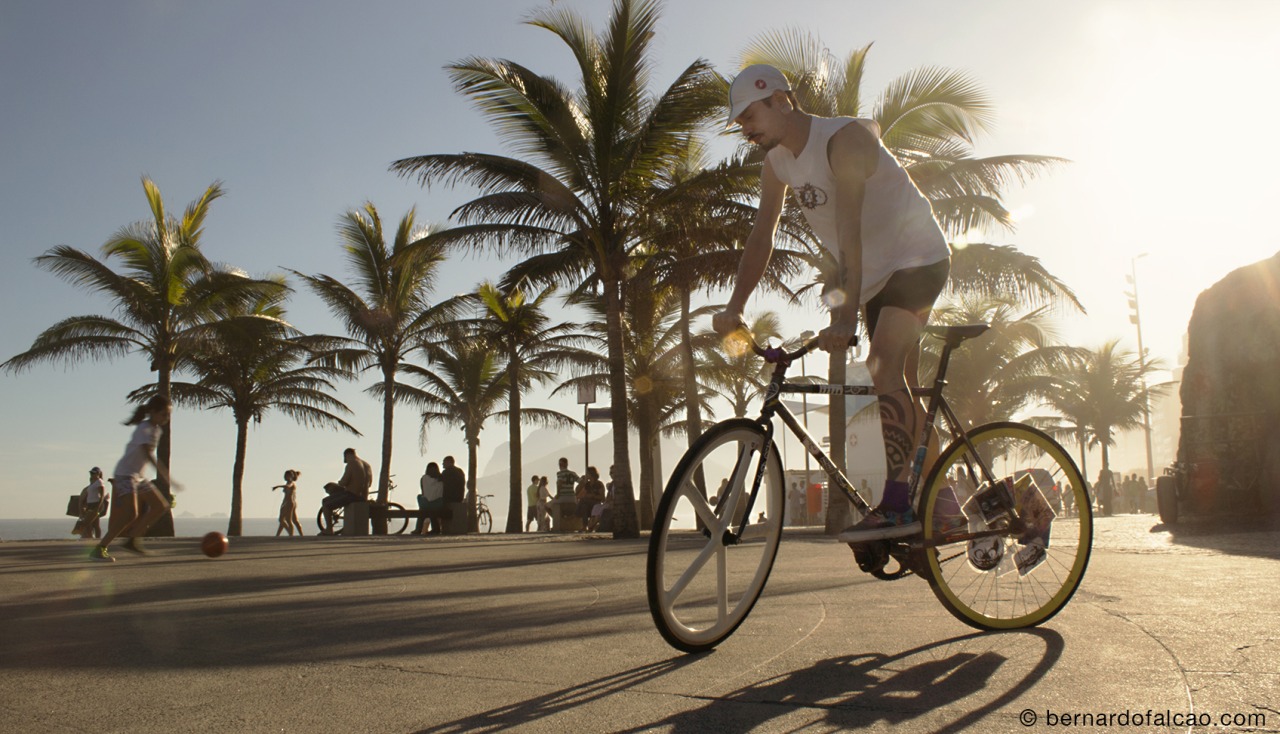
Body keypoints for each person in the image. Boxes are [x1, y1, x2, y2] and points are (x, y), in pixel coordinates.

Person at [713, 64, 951, 555]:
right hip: (876, 279)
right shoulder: (777, 162)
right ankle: (947, 499)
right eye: (738, 122)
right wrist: (734, 307)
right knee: (900, 396)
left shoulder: (843, 141)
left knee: (881, 367)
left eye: (750, 115)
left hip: (919, 259)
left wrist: (844, 316)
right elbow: (762, 236)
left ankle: (897, 502)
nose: (745, 128)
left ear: (782, 100)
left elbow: (849, 230)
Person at [90, 396, 176, 561]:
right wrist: (166, 476)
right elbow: (148, 454)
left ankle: (132, 540)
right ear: (152, 412)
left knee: (160, 506)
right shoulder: (143, 428)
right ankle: (100, 548)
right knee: (130, 514)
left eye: (168, 415)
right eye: (163, 414)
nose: (166, 418)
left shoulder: (157, 430)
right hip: (125, 475)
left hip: (138, 477)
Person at [320, 448, 371, 533]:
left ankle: (329, 529)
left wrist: (339, 483)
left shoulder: (352, 463)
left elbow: (344, 481)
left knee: (325, 502)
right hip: (363, 496)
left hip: (353, 495)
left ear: (347, 455)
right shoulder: (366, 465)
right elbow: (369, 483)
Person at [75, 467, 108, 539]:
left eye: (93, 473)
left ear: (98, 474)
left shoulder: (99, 482)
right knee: (95, 524)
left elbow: (101, 495)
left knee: (86, 523)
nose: (91, 474)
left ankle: (91, 538)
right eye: (91, 473)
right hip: (90, 505)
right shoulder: (93, 483)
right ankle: (96, 538)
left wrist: (98, 507)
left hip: (95, 504)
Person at [272, 469, 303, 537]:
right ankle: (278, 535)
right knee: (293, 520)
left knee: (286, 520)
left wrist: (277, 486)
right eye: (285, 475)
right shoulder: (288, 483)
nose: (285, 477)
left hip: (289, 503)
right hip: (287, 502)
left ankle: (290, 534)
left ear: (291, 477)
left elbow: (288, 486)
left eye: (287, 476)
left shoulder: (291, 483)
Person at [441, 456, 467, 534]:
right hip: (459, 498)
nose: (442, 464)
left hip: (449, 499)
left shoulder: (446, 472)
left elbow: (444, 487)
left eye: (444, 462)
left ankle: (437, 528)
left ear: (449, 462)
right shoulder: (460, 471)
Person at [417, 462, 445, 535]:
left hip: (426, 504)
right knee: (432, 509)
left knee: (420, 499)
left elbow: (423, 492)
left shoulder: (424, 478)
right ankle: (436, 529)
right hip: (438, 503)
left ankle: (418, 529)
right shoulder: (441, 479)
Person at [576, 466, 606, 532]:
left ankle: (576, 513)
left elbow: (602, 498)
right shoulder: (588, 484)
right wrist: (581, 484)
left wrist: (592, 496)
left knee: (583, 501)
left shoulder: (599, 484)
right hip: (587, 504)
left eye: (587, 473)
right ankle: (584, 526)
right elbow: (578, 495)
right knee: (584, 506)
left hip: (596, 503)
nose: (586, 475)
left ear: (591, 474)